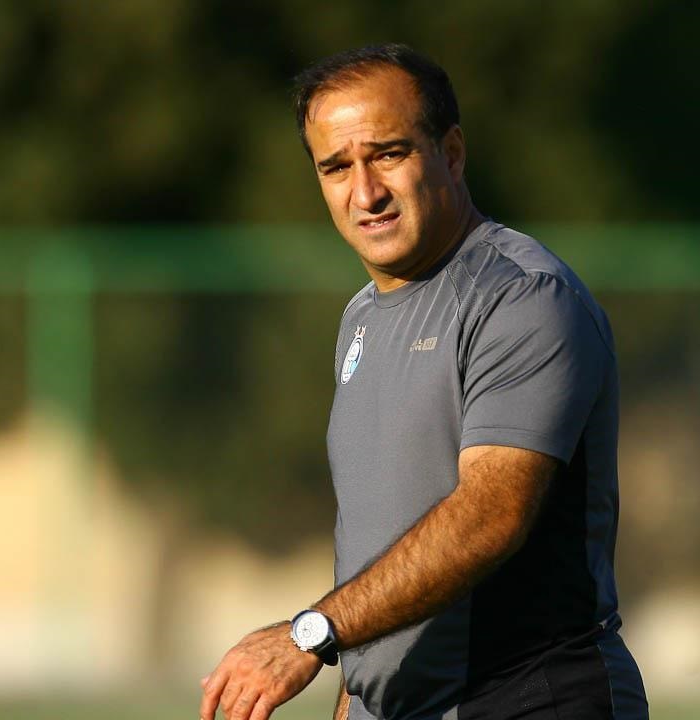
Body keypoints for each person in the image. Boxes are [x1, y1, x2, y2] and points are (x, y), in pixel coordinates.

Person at [199, 44, 648, 720]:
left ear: (452, 153)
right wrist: (354, 698)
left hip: (529, 699)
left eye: (388, 154)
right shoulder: (359, 319)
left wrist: (309, 635)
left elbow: (490, 514)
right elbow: (375, 550)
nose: (365, 192)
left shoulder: (522, 297)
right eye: (336, 167)